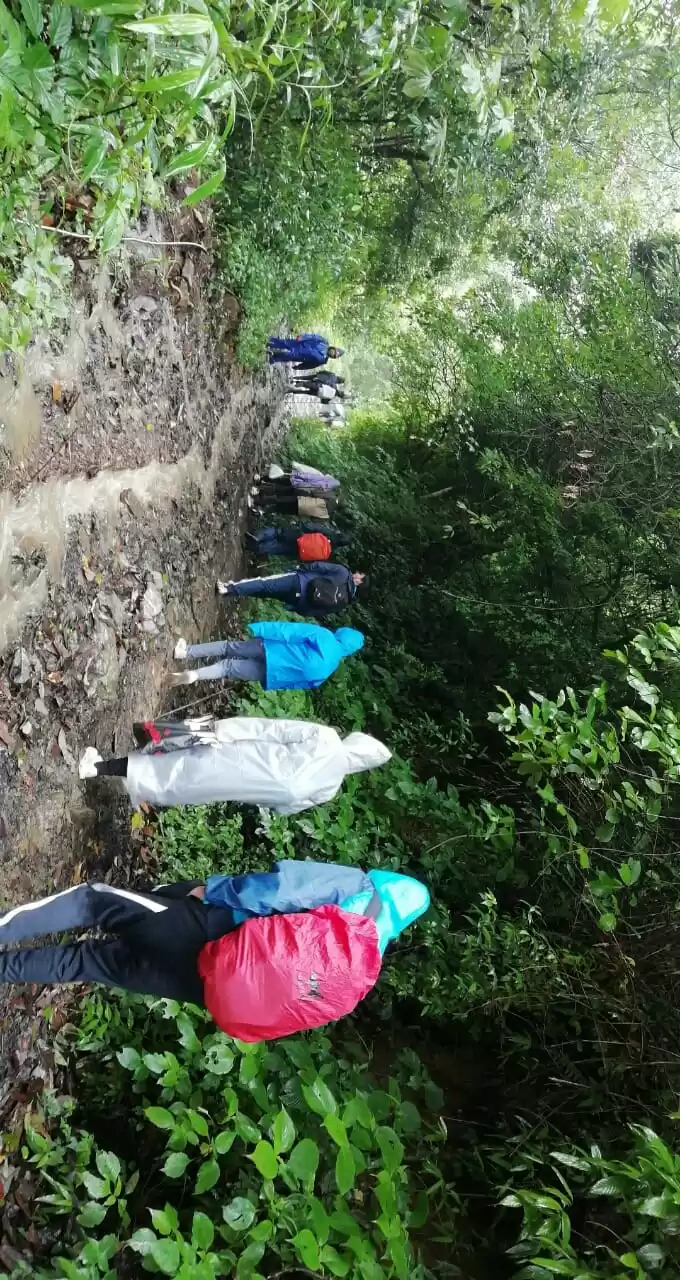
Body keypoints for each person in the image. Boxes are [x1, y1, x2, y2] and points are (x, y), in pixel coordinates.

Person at [0, 863, 430, 1041]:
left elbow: (278, 889)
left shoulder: (358, 889)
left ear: (387, 882)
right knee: (84, 962)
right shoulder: (360, 970)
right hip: (204, 987)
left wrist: (213, 889)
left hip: (207, 931)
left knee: (91, 901)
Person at [79, 715, 390, 810]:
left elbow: (273, 729)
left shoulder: (326, 738)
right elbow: (284, 809)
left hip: (240, 755)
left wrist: (227, 729)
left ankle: (97, 768)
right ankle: (124, 782)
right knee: (180, 785)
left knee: (174, 759)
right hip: (243, 787)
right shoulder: (331, 788)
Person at [163, 620, 363, 687]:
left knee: (228, 647)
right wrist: (271, 682)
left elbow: (290, 631)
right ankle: (195, 675)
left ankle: (185, 652)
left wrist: (262, 629)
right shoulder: (327, 672)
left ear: (342, 633)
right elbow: (295, 684)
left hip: (271, 648)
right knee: (227, 668)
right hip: (273, 674)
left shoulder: (325, 636)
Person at [215, 563, 367, 617]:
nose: (356, 573)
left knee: (263, 584)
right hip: (297, 600)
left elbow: (318, 566)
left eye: (359, 574)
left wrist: (301, 569)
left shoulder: (343, 572)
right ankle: (233, 590)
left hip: (299, 581)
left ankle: (229, 588)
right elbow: (317, 612)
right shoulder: (343, 603)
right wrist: (297, 608)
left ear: (359, 581)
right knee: (265, 591)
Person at [248, 522, 351, 559]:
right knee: (278, 547)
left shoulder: (329, 533)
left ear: (340, 534)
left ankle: (258, 536)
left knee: (277, 533)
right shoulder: (329, 552)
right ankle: (254, 547)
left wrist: (302, 526)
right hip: (298, 551)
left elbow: (312, 527)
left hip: (299, 536)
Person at [267, 334, 344, 368]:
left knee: (287, 355)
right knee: (284, 343)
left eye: (334, 355)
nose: (333, 354)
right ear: (333, 348)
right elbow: (313, 336)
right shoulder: (323, 341)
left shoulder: (323, 360)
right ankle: (270, 342)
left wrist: (300, 367)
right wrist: (303, 337)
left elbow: (311, 365)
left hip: (301, 356)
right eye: (334, 352)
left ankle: (273, 358)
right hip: (300, 344)